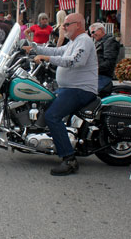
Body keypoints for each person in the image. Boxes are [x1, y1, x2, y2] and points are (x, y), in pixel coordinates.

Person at [25, 13, 97, 176]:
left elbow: (74, 61)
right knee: (44, 104)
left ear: (78, 25)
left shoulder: (84, 41)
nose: (63, 28)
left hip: (80, 89)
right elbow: (58, 51)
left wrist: (46, 57)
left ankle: (69, 159)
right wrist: (34, 48)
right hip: (68, 88)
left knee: (52, 116)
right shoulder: (73, 42)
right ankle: (53, 141)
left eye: (66, 25)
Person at [89, 22, 120, 92]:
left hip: (103, 77)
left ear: (101, 30)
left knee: (89, 93)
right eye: (91, 33)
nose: (92, 35)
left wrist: (93, 69)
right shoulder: (99, 42)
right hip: (96, 75)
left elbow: (109, 62)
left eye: (93, 32)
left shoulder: (109, 41)